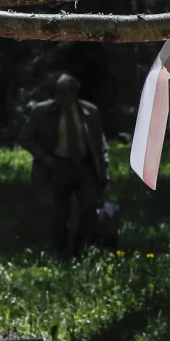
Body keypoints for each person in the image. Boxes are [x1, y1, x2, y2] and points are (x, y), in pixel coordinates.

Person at [19, 73, 109, 256]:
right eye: (59, 92)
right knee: (59, 213)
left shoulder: (90, 111)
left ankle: (79, 247)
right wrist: (44, 157)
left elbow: (100, 143)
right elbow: (25, 137)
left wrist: (103, 170)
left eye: (66, 92)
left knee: (90, 206)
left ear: (75, 93)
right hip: (58, 166)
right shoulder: (42, 112)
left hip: (84, 166)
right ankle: (62, 252)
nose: (62, 97)